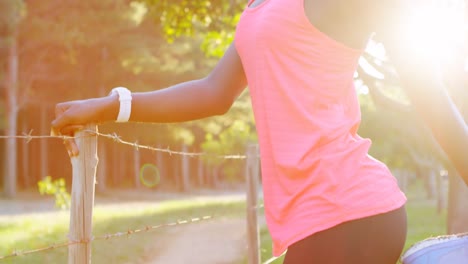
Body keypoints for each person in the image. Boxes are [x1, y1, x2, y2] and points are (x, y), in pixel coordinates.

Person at [52, 0, 468, 263]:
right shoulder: (259, 6)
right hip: (316, 220)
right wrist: (112, 105)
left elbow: (433, 101)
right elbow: (213, 92)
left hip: (349, 212)